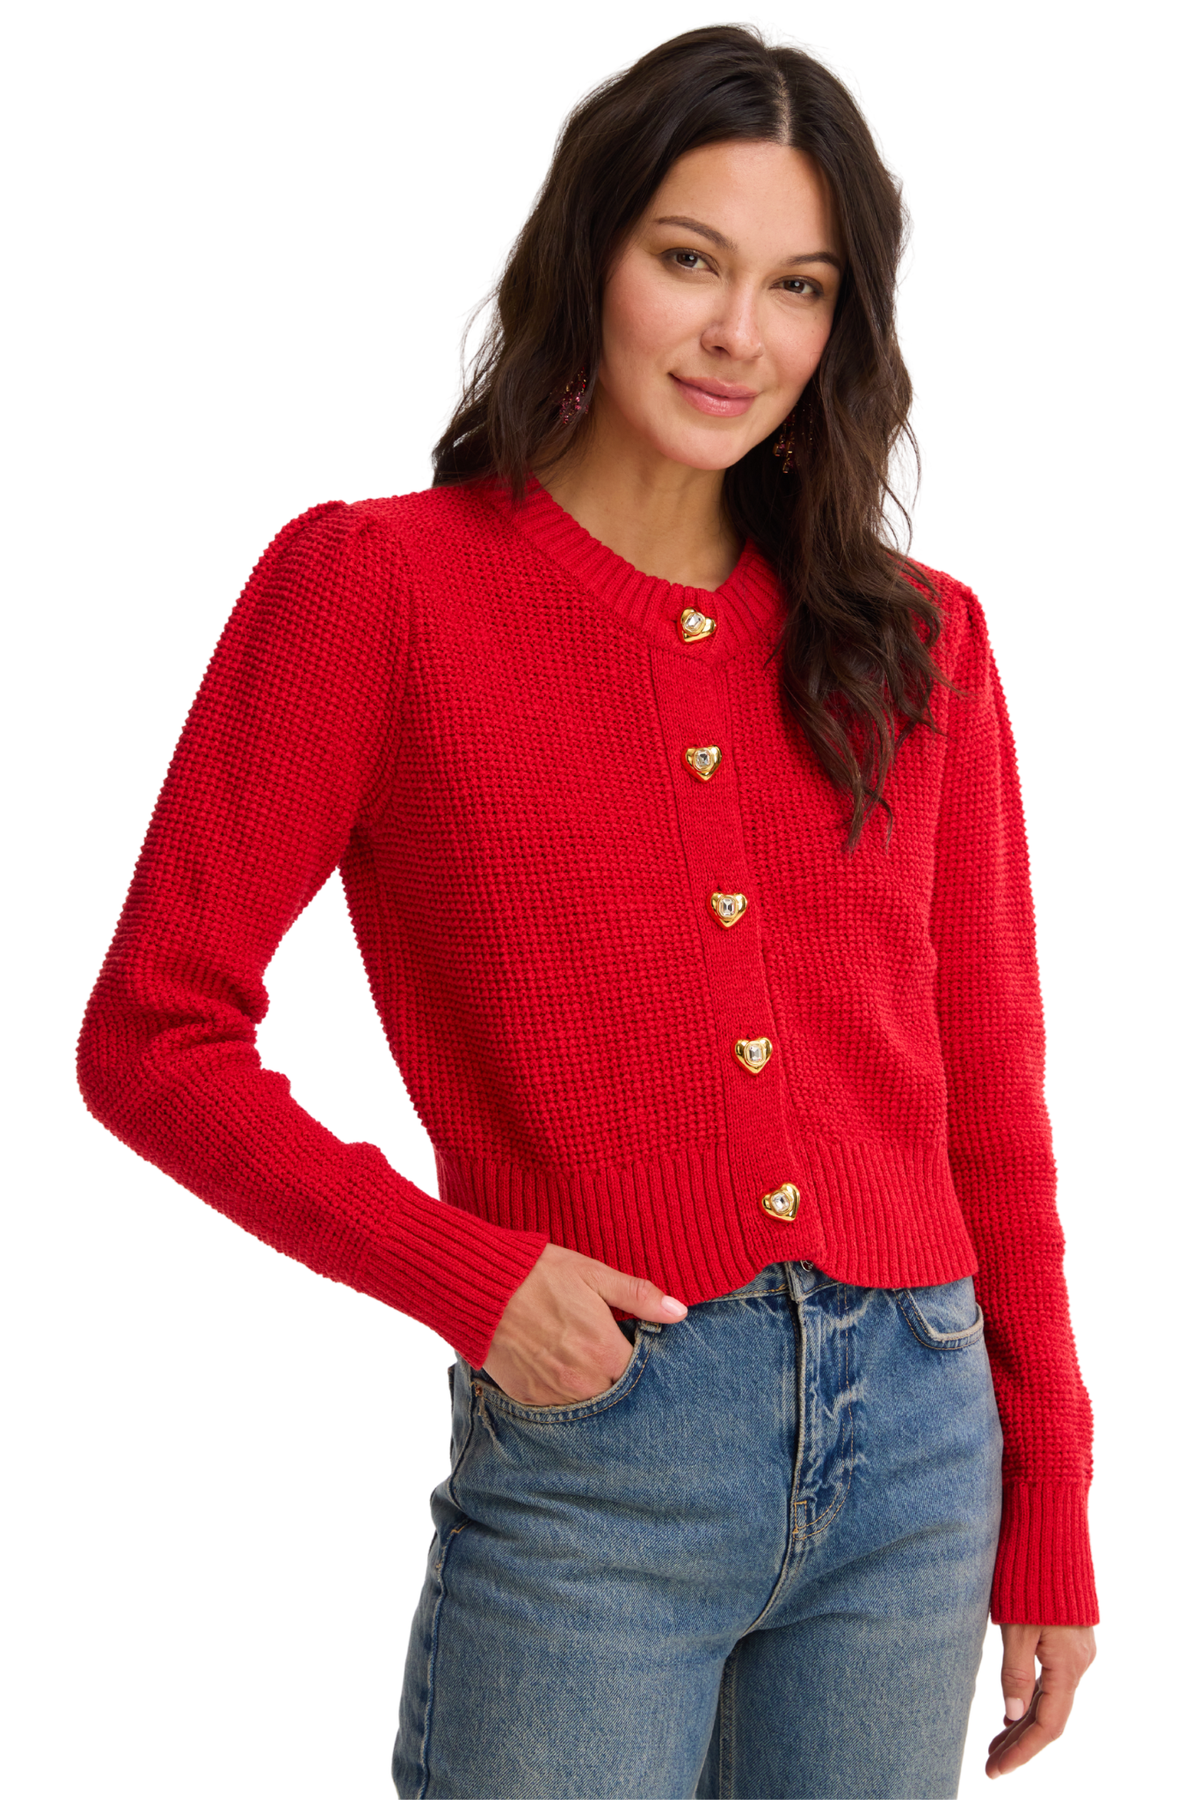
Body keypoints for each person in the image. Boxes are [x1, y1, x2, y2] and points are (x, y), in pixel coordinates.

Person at [76, 24, 1099, 1800]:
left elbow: (991, 1105)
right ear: (589, 255)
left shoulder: (921, 641)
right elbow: (151, 1035)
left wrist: (1053, 1511)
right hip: (603, 1450)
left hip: (923, 1457)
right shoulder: (379, 591)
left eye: (799, 286)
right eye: (691, 260)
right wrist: (470, 1279)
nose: (738, 333)